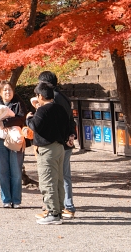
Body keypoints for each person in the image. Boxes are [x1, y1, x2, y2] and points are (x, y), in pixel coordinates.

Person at [27, 82, 73, 225]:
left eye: (37, 95)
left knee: (48, 181)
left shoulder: (42, 110)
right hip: (60, 148)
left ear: (40, 96)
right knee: (58, 180)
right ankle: (58, 210)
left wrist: (28, 118)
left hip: (47, 149)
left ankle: (53, 213)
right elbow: (67, 127)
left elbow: (35, 126)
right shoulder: (60, 109)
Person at [37, 71, 76, 218]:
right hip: (64, 140)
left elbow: (57, 121)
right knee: (62, 176)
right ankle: (63, 206)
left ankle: (58, 208)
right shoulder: (61, 97)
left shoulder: (54, 99)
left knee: (57, 176)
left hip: (58, 142)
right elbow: (70, 119)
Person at [0, 81, 26, 208]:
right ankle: (6, 199)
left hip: (15, 141)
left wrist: (6, 123)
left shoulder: (19, 104)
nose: (8, 92)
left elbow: (22, 118)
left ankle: (16, 200)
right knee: (3, 171)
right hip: (0, 142)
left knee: (16, 171)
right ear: (0, 93)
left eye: (10, 90)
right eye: (5, 90)